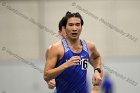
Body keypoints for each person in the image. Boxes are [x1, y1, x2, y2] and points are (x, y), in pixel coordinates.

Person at [44, 11, 103, 93]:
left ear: (81, 27)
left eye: (78, 25)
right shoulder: (55, 48)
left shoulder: (89, 46)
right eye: (71, 25)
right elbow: (46, 76)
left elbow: (97, 57)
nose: (74, 28)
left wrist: (97, 71)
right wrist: (65, 65)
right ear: (64, 28)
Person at [46, 17, 66, 89]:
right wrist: (50, 81)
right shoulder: (52, 49)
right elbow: (48, 73)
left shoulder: (83, 47)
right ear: (60, 32)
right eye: (65, 29)